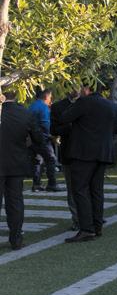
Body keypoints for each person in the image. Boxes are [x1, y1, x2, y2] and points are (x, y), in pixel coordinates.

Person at [60, 83, 117, 243]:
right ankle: (97, 225)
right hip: (103, 153)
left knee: (80, 190)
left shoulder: (83, 102)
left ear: (87, 89)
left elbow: (64, 118)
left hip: (83, 153)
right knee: (97, 190)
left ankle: (87, 228)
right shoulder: (111, 105)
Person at [0, 96, 43, 249]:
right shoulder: (24, 113)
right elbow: (38, 138)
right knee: (15, 202)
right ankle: (16, 238)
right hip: (16, 162)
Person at [50, 88, 82, 231]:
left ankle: (93, 216)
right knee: (72, 188)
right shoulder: (58, 106)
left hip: (88, 153)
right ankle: (77, 220)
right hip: (69, 152)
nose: (75, 89)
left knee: (90, 187)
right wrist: (70, 126)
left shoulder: (89, 103)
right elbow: (53, 129)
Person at [28, 88, 59, 192]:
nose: (51, 100)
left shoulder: (32, 106)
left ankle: (36, 184)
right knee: (51, 159)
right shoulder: (44, 107)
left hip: (32, 138)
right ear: (46, 96)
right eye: (50, 97)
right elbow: (45, 123)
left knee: (37, 161)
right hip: (42, 138)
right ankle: (52, 184)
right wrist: (51, 136)